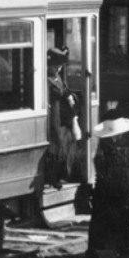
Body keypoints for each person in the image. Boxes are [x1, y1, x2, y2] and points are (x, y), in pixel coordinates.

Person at [85, 109, 129, 258]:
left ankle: (98, 249)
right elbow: (118, 176)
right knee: (115, 219)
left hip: (103, 191)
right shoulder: (112, 154)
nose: (121, 136)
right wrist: (125, 190)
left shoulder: (102, 150)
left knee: (101, 221)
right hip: (112, 192)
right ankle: (117, 249)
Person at [42, 47, 82, 190]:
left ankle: (62, 174)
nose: (58, 69)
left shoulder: (56, 77)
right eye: (55, 67)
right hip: (52, 115)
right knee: (56, 144)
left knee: (66, 143)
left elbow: (64, 89)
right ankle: (52, 177)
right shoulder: (44, 78)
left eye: (59, 67)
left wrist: (69, 95)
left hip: (61, 115)